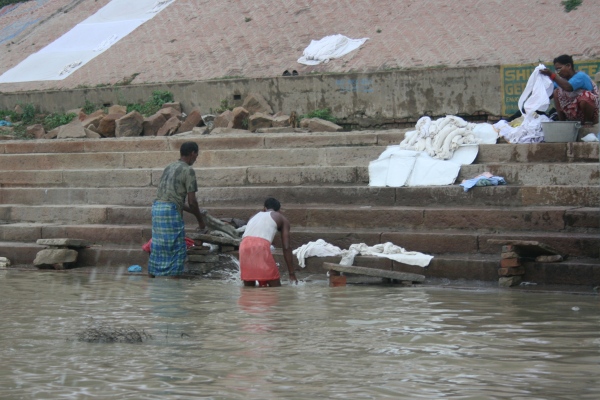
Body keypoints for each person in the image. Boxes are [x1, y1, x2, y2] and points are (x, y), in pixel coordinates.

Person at [148, 141, 205, 277]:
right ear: (193, 153)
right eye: (196, 155)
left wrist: (193, 211)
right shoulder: (188, 170)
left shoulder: (169, 167)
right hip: (171, 211)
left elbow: (171, 198)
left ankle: (152, 276)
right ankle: (174, 284)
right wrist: (201, 222)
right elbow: (192, 202)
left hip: (157, 208)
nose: (196, 158)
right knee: (178, 248)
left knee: (158, 247)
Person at [239, 198, 297, 287]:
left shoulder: (253, 217)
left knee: (249, 289)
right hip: (260, 246)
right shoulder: (281, 218)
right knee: (275, 288)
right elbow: (286, 247)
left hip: (243, 245)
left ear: (264, 208)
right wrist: (292, 274)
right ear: (278, 210)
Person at [540, 54, 599, 124]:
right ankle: (563, 123)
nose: (558, 72)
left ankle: (587, 122)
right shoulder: (562, 80)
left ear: (569, 66)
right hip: (572, 114)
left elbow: (568, 87)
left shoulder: (581, 76)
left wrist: (552, 75)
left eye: (559, 69)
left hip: (590, 114)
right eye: (556, 70)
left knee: (586, 96)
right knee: (556, 92)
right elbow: (549, 94)